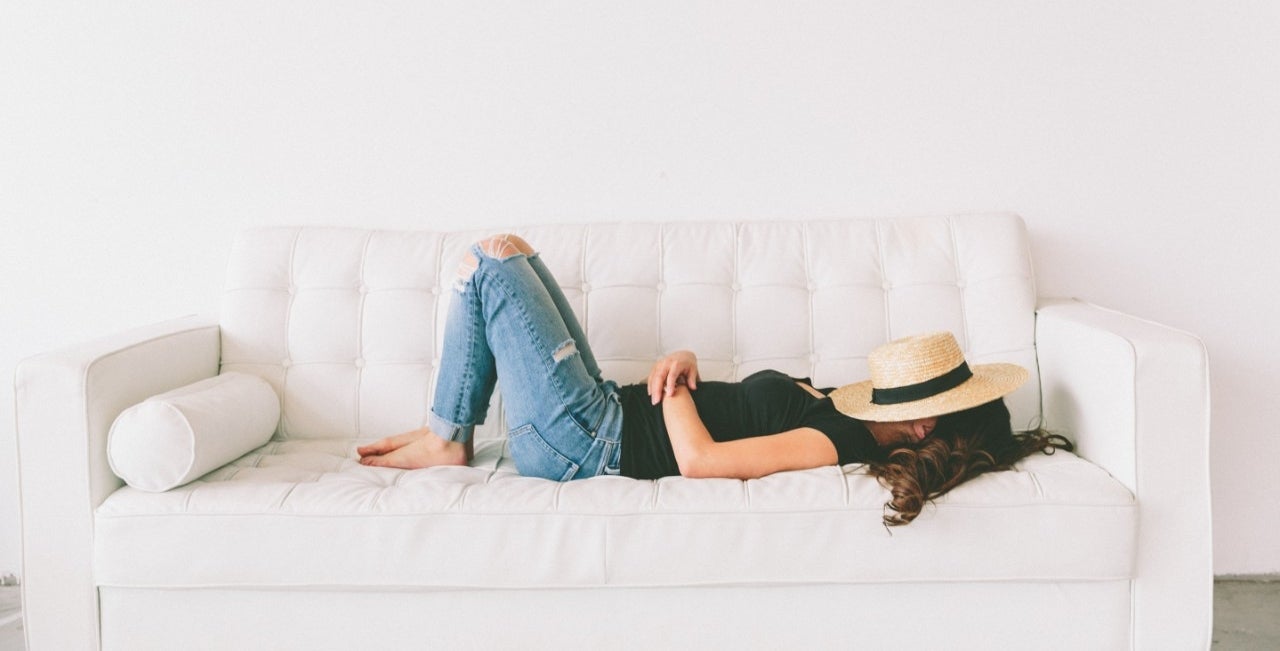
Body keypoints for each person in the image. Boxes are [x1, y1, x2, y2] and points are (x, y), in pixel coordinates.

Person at [357, 234, 1070, 526]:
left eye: (925, 395)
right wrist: (687, 364)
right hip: (605, 413)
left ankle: (448, 437)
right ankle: (445, 432)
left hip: (590, 445)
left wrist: (677, 383)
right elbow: (731, 414)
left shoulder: (835, 440)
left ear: (923, 424)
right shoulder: (838, 409)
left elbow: (702, 463)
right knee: (507, 251)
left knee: (491, 259)